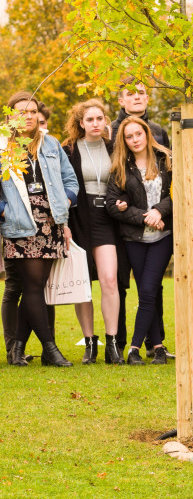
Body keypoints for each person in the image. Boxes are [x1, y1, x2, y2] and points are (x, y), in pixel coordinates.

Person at [1, 91, 79, 367]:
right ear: (11, 116)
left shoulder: (51, 143)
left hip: (50, 222)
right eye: (21, 111)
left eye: (33, 111)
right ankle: (51, 349)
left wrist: (65, 202)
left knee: (37, 287)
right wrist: (4, 210)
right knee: (33, 286)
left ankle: (17, 348)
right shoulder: (2, 146)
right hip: (20, 222)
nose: (29, 116)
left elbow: (70, 180)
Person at [110, 76, 171, 359]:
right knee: (146, 289)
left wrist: (160, 211)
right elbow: (114, 202)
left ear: (148, 134)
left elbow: (177, 193)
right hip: (134, 235)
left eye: (139, 134)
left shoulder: (164, 159)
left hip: (162, 234)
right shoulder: (122, 166)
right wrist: (143, 216)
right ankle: (156, 346)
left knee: (148, 288)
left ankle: (134, 347)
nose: (135, 139)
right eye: (129, 136)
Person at [62, 99, 124, 365]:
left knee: (110, 280)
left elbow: (126, 181)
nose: (96, 124)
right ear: (81, 123)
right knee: (83, 283)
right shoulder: (69, 150)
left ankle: (112, 344)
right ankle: (90, 343)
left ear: (106, 121)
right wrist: (63, 223)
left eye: (100, 118)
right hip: (79, 218)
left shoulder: (116, 148)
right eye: (90, 120)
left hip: (108, 218)